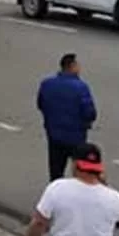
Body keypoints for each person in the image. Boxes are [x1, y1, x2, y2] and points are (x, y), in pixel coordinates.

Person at [37, 53, 98, 182]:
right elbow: (90, 113)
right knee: (79, 170)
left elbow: (41, 104)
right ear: (72, 67)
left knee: (56, 168)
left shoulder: (47, 84)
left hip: (54, 134)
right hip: (76, 136)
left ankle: (56, 192)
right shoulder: (81, 87)